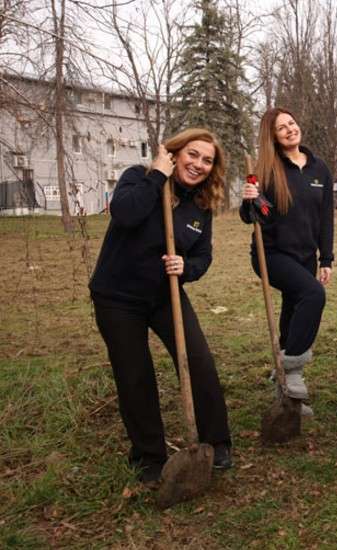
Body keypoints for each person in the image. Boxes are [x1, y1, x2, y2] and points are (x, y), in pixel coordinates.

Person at [89, 128, 233, 484]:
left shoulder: (201, 205)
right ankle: (149, 456)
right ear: (175, 153)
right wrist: (157, 176)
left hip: (164, 294)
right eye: (192, 154)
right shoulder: (138, 178)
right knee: (135, 375)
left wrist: (187, 267)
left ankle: (217, 441)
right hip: (118, 297)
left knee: (198, 360)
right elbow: (124, 213)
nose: (198, 164)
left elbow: (203, 256)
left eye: (207, 160)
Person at [240, 108, 334, 417]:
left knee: (293, 312)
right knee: (313, 295)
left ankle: (287, 397)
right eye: (282, 128)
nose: (290, 129)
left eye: (292, 123)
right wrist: (250, 199)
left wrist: (326, 258)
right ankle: (291, 369)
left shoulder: (319, 168)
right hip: (272, 255)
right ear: (273, 137)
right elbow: (256, 216)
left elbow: (326, 218)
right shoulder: (267, 171)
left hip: (306, 255)